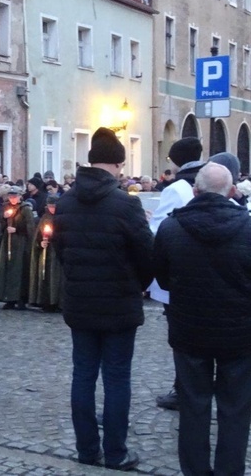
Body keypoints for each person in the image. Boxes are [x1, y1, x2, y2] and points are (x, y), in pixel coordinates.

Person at [53, 127, 153, 471]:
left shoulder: (64, 203)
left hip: (80, 302)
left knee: (82, 375)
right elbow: (146, 255)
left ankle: (86, 450)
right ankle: (115, 452)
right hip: (119, 304)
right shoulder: (126, 204)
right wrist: (138, 284)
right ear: (117, 164)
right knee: (116, 378)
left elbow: (61, 252)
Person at [153, 162, 251, 476]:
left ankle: (195, 470)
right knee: (235, 409)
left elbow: (163, 280)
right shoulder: (248, 228)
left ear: (195, 191)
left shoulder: (171, 228)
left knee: (193, 406)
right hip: (239, 334)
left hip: (190, 331)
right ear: (232, 192)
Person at [149, 136, 205, 412]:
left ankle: (183, 388)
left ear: (174, 160)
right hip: (210, 274)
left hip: (181, 275)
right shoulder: (208, 181)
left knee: (182, 338)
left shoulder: (177, 189)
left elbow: (160, 232)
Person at [0, 186, 34, 310]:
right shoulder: (6, 207)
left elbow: (30, 227)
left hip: (20, 244)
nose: (12, 199)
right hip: (7, 243)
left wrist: (18, 229)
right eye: (10, 197)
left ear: (20, 196)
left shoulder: (25, 209)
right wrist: (4, 218)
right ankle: (8, 297)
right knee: (8, 269)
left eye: (14, 196)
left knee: (19, 270)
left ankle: (21, 298)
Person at [28, 196, 61, 312]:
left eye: (54, 206)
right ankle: (45, 301)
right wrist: (40, 242)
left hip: (57, 253)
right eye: (50, 206)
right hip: (46, 252)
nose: (52, 209)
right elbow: (38, 235)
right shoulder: (45, 218)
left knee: (56, 278)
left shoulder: (62, 218)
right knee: (45, 276)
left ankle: (57, 302)